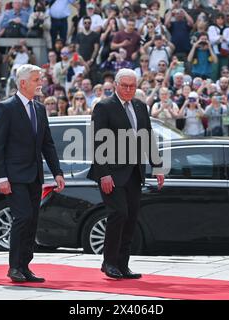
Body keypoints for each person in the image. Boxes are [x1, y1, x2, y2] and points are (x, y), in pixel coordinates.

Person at [87, 68, 164, 279]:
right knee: (118, 213)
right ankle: (109, 262)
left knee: (130, 218)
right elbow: (96, 142)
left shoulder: (140, 106)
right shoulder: (104, 106)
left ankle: (123, 264)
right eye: (125, 86)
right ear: (116, 85)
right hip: (111, 173)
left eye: (132, 86)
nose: (129, 89)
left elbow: (148, 136)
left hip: (134, 173)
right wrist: (103, 173)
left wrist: (157, 166)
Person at [0, 64, 65, 283]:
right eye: (36, 79)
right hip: (14, 176)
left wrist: (57, 172)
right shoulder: (6, 108)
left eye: (40, 79)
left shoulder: (40, 109)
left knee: (31, 220)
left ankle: (25, 266)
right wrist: (1, 177)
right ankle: (14, 267)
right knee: (22, 217)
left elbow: (47, 144)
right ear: (23, 83)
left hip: (35, 176)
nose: (40, 83)